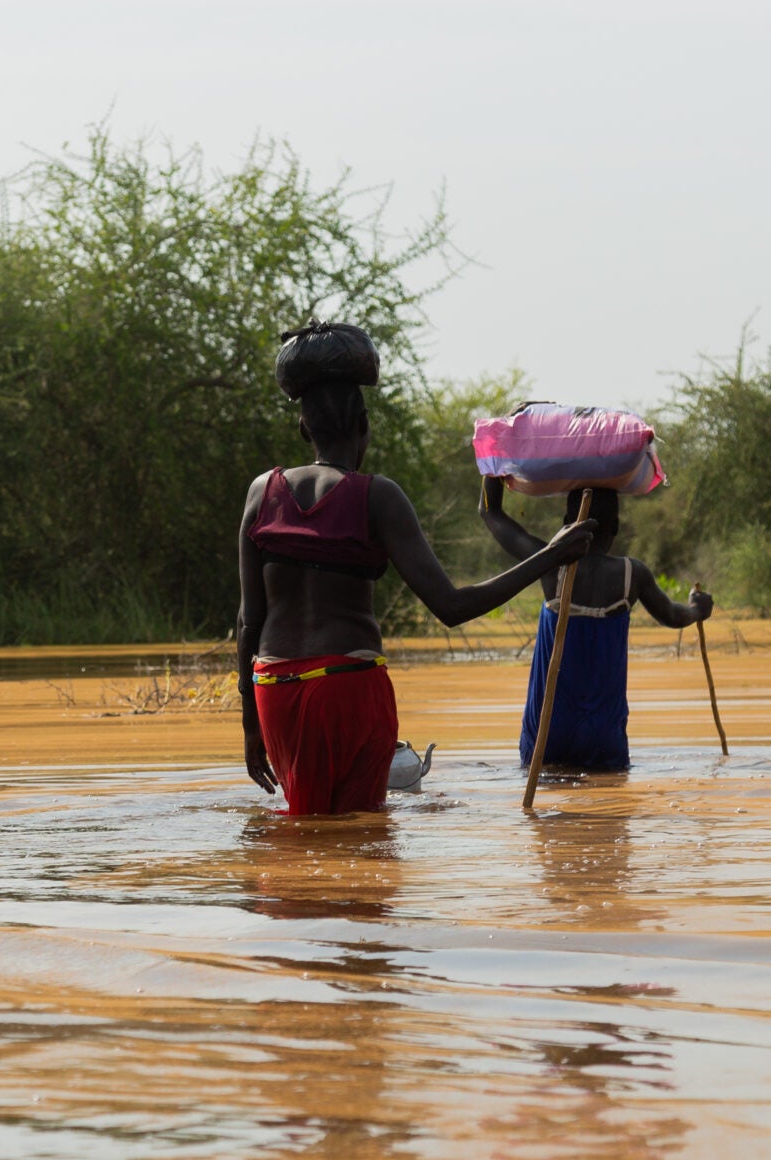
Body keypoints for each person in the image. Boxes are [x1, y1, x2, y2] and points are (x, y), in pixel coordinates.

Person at [237, 323, 596, 815]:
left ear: (303, 428)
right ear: (364, 425)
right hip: (347, 685)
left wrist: (249, 724)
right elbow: (451, 606)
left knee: (304, 831)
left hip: (272, 690)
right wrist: (551, 555)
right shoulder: (377, 496)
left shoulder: (262, 491)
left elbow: (247, 622)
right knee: (360, 841)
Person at [481, 480, 714, 771]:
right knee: (609, 807)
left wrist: (492, 465)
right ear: (615, 527)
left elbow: (491, 514)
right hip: (605, 734)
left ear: (567, 524)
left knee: (547, 804)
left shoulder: (548, 563)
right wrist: (697, 609)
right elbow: (673, 616)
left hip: (548, 729)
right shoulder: (632, 574)